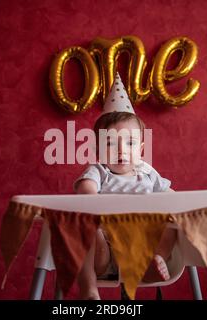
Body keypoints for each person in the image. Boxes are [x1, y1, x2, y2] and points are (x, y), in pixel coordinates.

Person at [73, 74, 177, 300]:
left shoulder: (147, 172)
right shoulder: (100, 170)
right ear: (99, 149)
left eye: (129, 142)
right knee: (84, 229)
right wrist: (92, 196)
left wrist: (185, 209)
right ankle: (89, 288)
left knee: (171, 223)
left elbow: (173, 197)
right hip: (106, 252)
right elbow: (85, 190)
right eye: (110, 142)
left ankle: (154, 262)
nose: (121, 149)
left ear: (140, 149)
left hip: (142, 248)